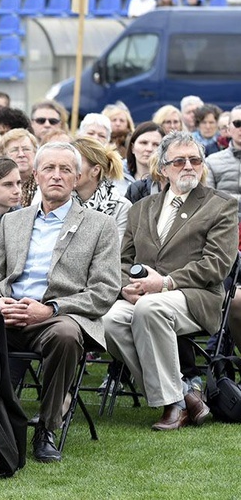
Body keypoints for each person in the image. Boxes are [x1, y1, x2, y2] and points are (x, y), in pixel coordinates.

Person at [0, 141, 120, 463]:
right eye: (49, 169)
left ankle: (46, 428)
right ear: (36, 176)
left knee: (66, 336)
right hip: (10, 312)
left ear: (77, 177)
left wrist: (52, 308)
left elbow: (105, 290)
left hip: (57, 316)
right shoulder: (12, 222)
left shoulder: (101, 226)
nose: (56, 176)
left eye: (65, 170)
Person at [103, 131, 238, 431]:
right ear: (163, 168)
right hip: (144, 297)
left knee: (151, 309)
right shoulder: (141, 208)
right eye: (179, 161)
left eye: (194, 160)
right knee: (111, 321)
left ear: (203, 164)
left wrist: (163, 283)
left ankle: (172, 407)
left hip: (196, 297)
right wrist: (127, 285)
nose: (188, 166)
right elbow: (123, 260)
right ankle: (183, 394)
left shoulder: (221, 205)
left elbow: (217, 265)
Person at [71, 136, 132, 241]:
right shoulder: (58, 199)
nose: (69, 169)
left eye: (76, 163)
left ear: (95, 170)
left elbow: (117, 250)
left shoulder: (120, 207)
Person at [206, 104, 241, 220]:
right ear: (228, 129)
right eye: (238, 123)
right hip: (223, 228)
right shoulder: (211, 161)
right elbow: (207, 201)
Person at [1, 128, 40, 207]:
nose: (21, 154)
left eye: (26, 149)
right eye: (14, 150)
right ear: (4, 155)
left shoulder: (42, 181)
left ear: (35, 153)